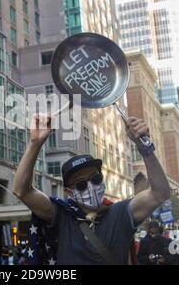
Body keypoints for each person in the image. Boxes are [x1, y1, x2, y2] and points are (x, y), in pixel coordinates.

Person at [12, 114, 170, 265]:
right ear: (69, 191)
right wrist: (35, 143)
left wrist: (145, 148)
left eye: (95, 179)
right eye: (81, 184)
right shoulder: (62, 215)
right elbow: (22, 191)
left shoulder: (121, 213)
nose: (91, 187)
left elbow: (159, 193)